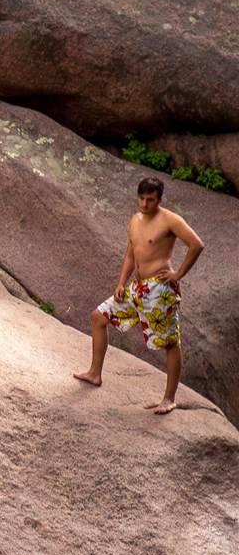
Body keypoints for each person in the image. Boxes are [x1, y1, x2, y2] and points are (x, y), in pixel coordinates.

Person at [73, 176, 205, 414]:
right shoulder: (135, 220)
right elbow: (130, 254)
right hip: (137, 287)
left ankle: (169, 398)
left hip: (160, 289)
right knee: (98, 317)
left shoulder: (170, 220)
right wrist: (121, 282)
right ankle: (94, 373)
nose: (144, 204)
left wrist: (178, 274)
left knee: (170, 343)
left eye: (150, 200)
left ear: (159, 199)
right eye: (141, 199)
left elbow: (196, 244)